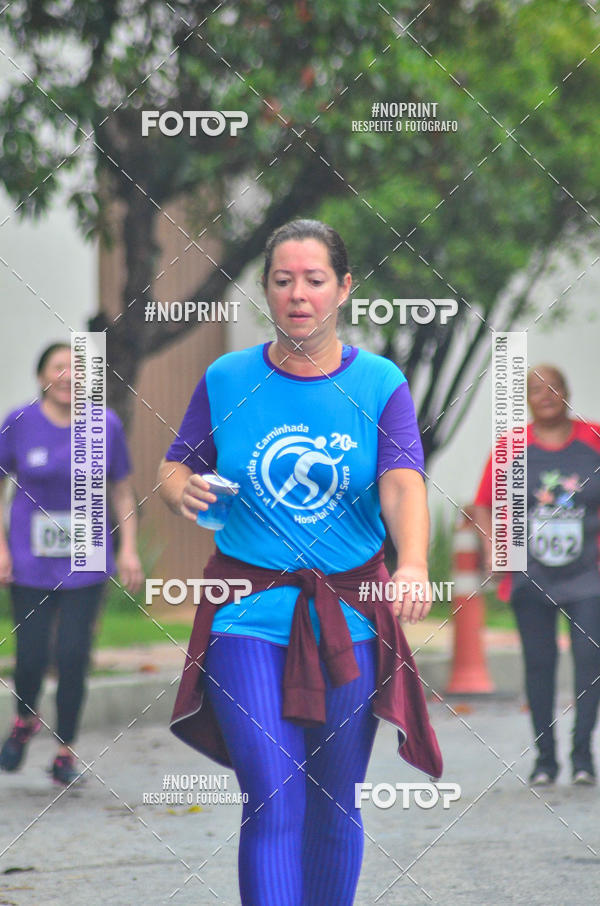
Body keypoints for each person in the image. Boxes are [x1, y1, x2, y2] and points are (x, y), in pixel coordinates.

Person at [157, 219, 442, 906]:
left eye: (314, 280)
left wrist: (412, 564)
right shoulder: (228, 378)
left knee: (332, 800)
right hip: (246, 612)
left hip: (351, 613)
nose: (298, 295)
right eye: (282, 280)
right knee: (273, 795)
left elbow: (403, 483)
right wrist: (180, 490)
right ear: (267, 290)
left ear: (343, 288)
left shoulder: (379, 383)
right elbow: (175, 467)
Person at [0, 342, 143, 785]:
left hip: (86, 558)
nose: (69, 375)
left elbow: (121, 490)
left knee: (74, 656)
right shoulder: (19, 422)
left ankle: (66, 751)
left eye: (77, 368)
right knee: (31, 656)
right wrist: (1, 548)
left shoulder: (106, 425)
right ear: (42, 375)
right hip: (29, 558)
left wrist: (130, 548)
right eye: (59, 367)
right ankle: (25, 720)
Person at [474, 365, 600, 787]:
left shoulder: (593, 440)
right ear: (526, 399)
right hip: (531, 575)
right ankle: (545, 760)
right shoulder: (511, 448)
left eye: (553, 387)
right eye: (535, 389)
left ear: (566, 391)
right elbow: (484, 504)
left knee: (589, 659)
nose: (545, 395)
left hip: (589, 576)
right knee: (539, 665)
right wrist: (494, 549)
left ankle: (582, 756)